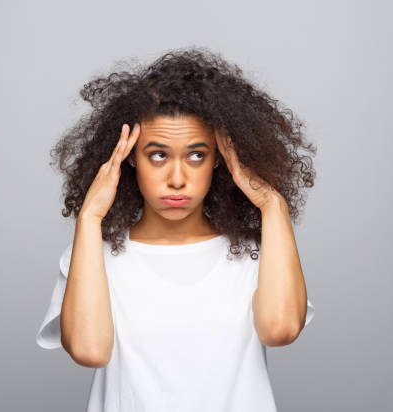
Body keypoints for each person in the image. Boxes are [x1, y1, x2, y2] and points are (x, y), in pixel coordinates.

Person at [36, 47, 317, 412]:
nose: (177, 179)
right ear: (130, 159)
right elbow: (90, 350)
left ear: (220, 159)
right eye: (158, 155)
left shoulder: (255, 256)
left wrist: (272, 203)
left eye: (196, 155)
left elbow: (280, 329)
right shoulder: (92, 258)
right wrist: (89, 217)